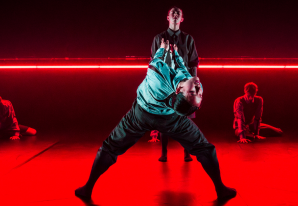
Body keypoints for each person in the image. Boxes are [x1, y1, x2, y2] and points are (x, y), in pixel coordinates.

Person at [75, 40, 236, 201]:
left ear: (180, 90)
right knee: (205, 149)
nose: (199, 87)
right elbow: (182, 69)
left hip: (141, 114)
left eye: (196, 92)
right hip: (170, 118)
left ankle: (87, 189)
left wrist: (163, 49)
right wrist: (176, 54)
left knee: (110, 148)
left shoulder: (157, 73)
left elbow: (156, 61)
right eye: (198, 93)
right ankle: (220, 189)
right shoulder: (190, 84)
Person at [148, 6, 199, 162]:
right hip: (166, 83)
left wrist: (194, 86)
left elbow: (193, 62)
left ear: (181, 19)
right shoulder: (159, 38)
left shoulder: (188, 39)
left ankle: (187, 152)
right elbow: (153, 62)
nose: (175, 15)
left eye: (178, 14)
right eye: (173, 13)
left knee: (185, 118)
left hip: (184, 82)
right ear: (168, 17)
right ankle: (164, 153)